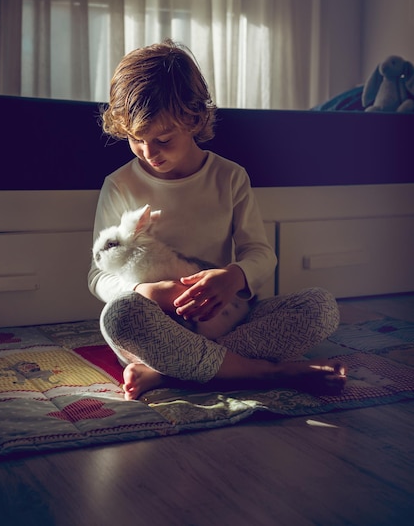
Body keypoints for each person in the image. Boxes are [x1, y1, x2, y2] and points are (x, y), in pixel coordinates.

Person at [88, 39, 346, 401]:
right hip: (160, 324)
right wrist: (143, 292)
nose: (149, 153)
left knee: (320, 307)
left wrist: (233, 277)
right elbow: (99, 275)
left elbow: (260, 253)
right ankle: (265, 372)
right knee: (117, 317)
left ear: (194, 119)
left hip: (225, 317)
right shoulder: (119, 184)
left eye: (163, 138)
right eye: (136, 139)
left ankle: (173, 372)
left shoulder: (229, 177)